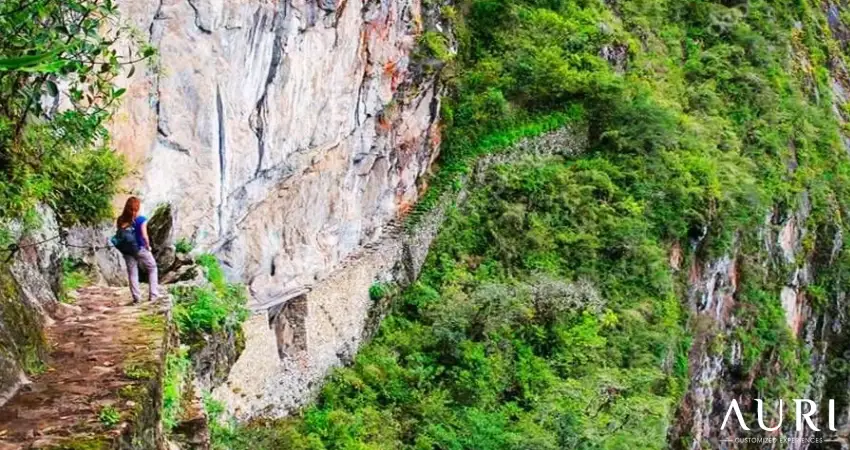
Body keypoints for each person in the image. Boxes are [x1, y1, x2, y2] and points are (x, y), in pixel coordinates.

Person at [116, 196, 160, 303]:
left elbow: (120, 235)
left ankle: (137, 298)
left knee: (132, 273)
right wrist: (148, 246)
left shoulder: (120, 220)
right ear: (138, 207)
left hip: (127, 251)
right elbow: (145, 236)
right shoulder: (141, 219)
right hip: (140, 249)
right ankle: (153, 296)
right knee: (152, 268)